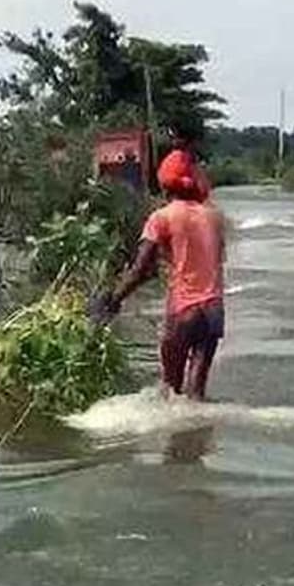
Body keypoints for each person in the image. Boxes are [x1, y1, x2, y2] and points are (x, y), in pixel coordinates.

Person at [104, 148, 225, 401]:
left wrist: (113, 300)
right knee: (196, 394)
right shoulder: (214, 217)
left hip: (183, 310)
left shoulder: (161, 218)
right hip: (214, 310)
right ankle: (198, 438)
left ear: (164, 184)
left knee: (170, 392)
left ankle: (176, 439)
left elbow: (140, 270)